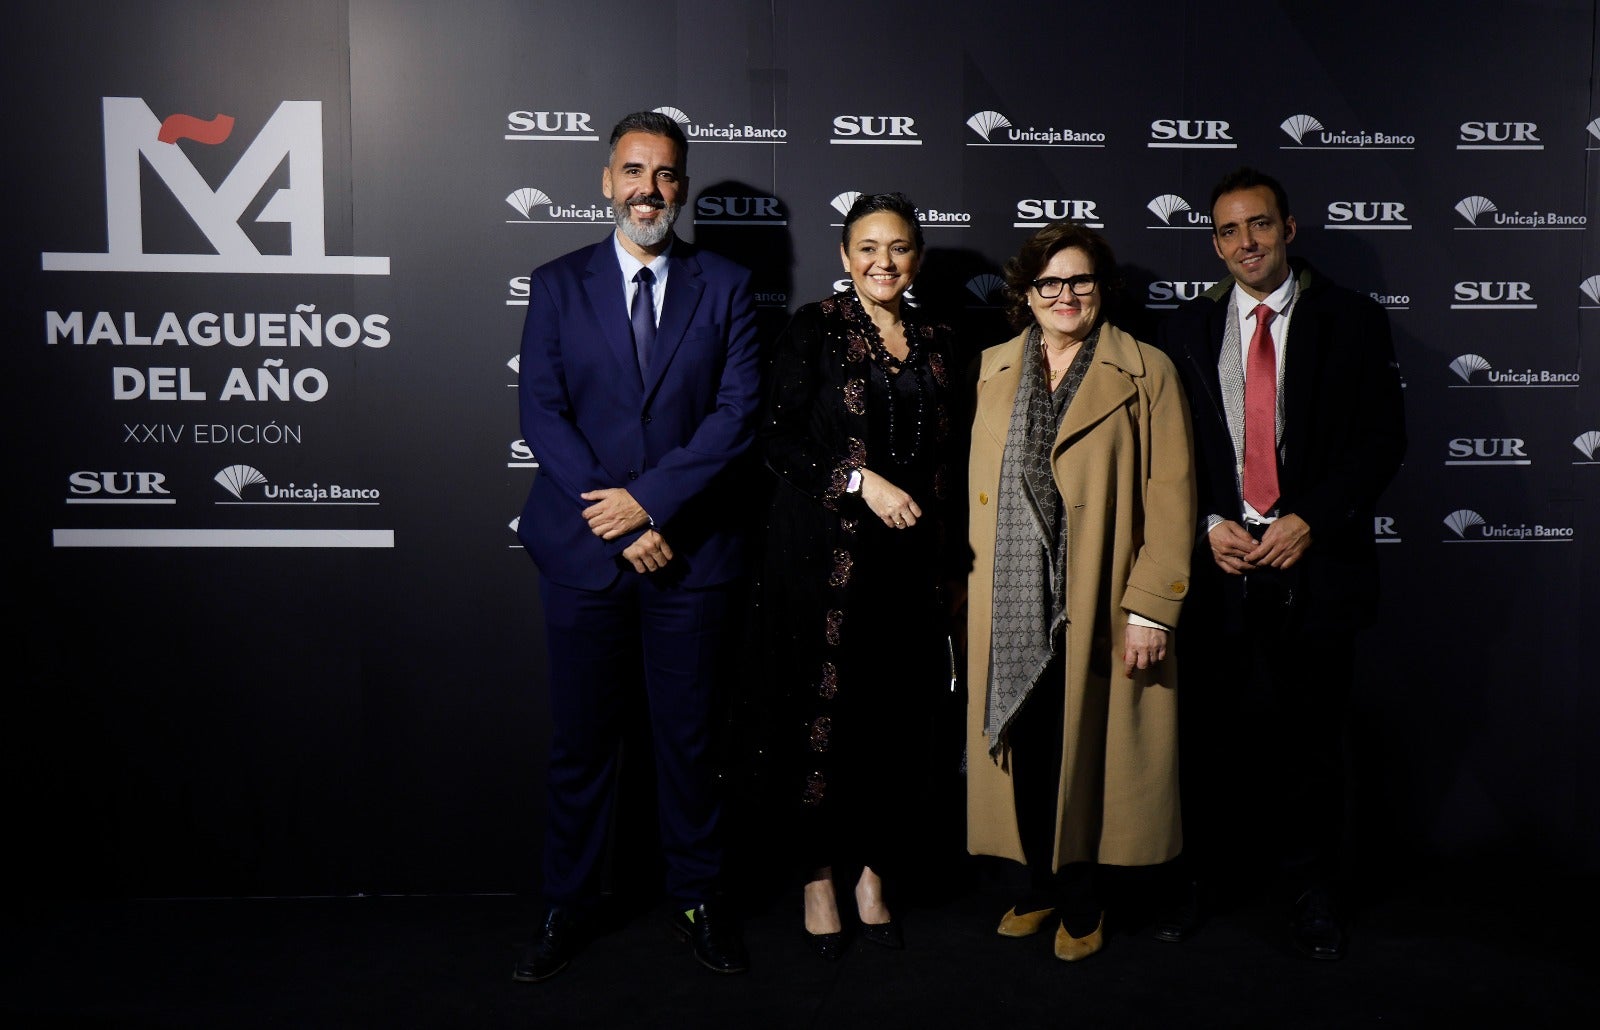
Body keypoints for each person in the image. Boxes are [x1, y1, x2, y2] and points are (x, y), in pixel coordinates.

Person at [512, 110, 760, 981]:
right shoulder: (555, 284)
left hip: (690, 555)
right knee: (582, 743)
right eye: (632, 171)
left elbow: (735, 418)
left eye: (664, 174)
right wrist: (614, 520)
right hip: (583, 553)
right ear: (605, 180)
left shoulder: (724, 284)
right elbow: (542, 411)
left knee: (691, 744)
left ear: (681, 188)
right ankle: (568, 903)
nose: (647, 189)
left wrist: (651, 509)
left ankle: (697, 898)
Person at [1156, 167, 1406, 960]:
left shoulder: (1354, 321)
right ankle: (1199, 881)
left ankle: (1314, 891)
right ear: (1216, 241)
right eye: (1228, 230)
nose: (1245, 243)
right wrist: (1204, 525)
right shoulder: (1188, 330)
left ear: (1288, 230)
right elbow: (1169, 454)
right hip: (1219, 568)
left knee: (1313, 743)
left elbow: (1380, 441)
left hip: (1316, 565)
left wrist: (1310, 519)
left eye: (1259, 225)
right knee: (1205, 739)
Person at [966, 221, 1196, 962]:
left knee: (1087, 747)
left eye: (1081, 281)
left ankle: (1080, 893)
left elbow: (1172, 497)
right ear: (1025, 293)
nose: (1065, 296)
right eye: (1049, 283)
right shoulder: (992, 367)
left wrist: (1152, 606)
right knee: (1027, 745)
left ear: (1102, 289)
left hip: (1098, 597)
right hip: (1009, 600)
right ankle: (1034, 882)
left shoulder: (1146, 369)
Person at [758, 193, 964, 959]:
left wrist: (951, 564)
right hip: (824, 562)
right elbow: (775, 441)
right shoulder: (813, 329)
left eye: (900, 248)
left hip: (911, 566)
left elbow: (950, 463)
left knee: (899, 721)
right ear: (845, 257)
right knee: (823, 715)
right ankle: (817, 874)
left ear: (917, 259)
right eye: (868, 247)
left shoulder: (942, 340)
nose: (884, 262)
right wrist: (859, 480)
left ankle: (876, 871)